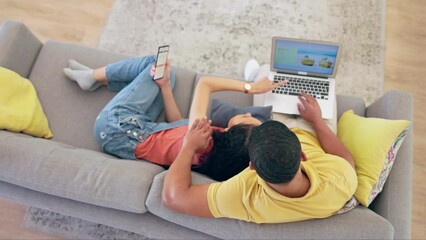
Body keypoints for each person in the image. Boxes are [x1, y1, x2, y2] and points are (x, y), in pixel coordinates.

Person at [161, 59, 357, 223]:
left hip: (289, 133)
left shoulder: (244, 196)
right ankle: (258, 72)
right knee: (307, 80)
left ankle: (256, 72)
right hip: (315, 132)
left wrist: (188, 147)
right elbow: (346, 160)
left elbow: (173, 197)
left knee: (268, 72)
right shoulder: (339, 183)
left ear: (252, 166)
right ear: (303, 156)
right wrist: (317, 121)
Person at [63, 56, 284, 181]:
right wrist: (165, 88)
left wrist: (250, 87)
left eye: (247, 119)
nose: (246, 113)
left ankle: (92, 77)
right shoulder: (209, 153)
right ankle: (100, 78)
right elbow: (176, 127)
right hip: (142, 130)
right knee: (164, 76)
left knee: (153, 63)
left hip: (114, 127)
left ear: (230, 133)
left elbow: (205, 83)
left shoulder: (203, 136)